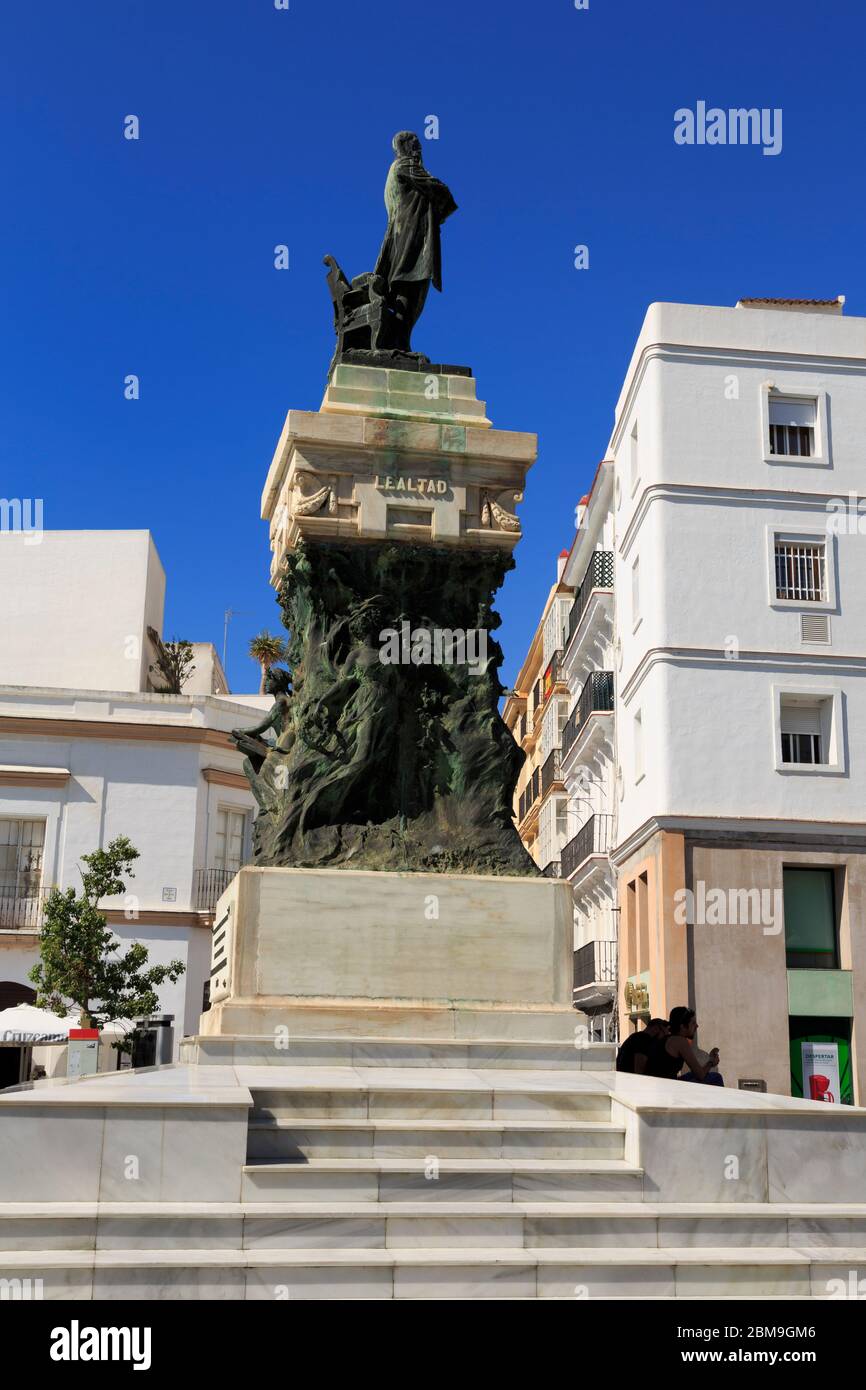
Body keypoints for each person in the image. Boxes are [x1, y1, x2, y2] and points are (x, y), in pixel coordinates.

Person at [647, 1006, 724, 1086]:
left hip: (659, 1085)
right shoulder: (680, 1041)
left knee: (692, 1074)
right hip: (667, 1088)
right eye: (693, 1023)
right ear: (683, 1026)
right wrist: (711, 1062)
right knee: (716, 1077)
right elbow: (700, 1075)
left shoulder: (667, 1038)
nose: (697, 1026)